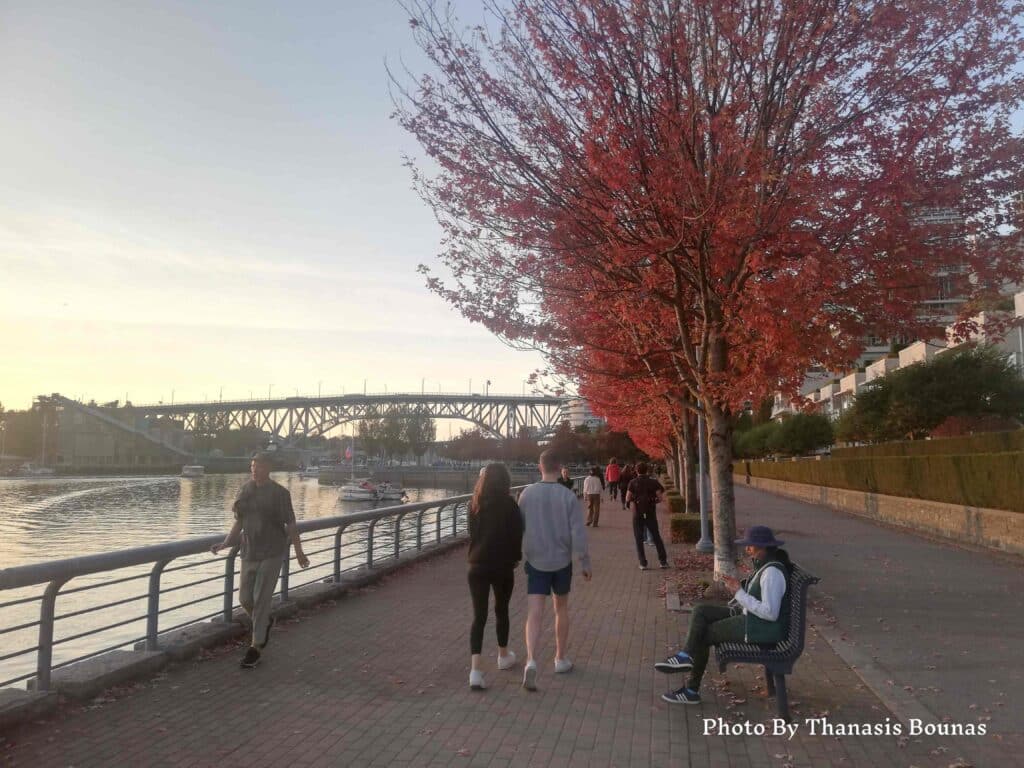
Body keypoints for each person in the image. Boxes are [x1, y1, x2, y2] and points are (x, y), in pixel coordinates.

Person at [655, 526, 792, 704]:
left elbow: (770, 613)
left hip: (759, 628)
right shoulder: (765, 566)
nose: (747, 549)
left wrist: (739, 593)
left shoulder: (771, 573)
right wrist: (739, 589)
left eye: (750, 545)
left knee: (703, 634)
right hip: (752, 619)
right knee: (701, 610)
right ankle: (685, 656)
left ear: (762, 547)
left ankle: (691, 690)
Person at [211, 453, 310, 669]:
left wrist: (299, 552)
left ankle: (255, 648)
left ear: (269, 468)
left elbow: (291, 524)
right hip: (249, 551)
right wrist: (225, 543)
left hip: (272, 551)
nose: (254, 469)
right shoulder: (245, 490)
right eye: (252, 465)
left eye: (259, 466)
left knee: (261, 598)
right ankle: (265, 622)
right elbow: (240, 522)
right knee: (245, 598)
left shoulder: (280, 493)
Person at [517, 450, 592, 690]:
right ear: (560, 467)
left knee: (534, 612)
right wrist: (585, 562)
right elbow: (578, 534)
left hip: (536, 560)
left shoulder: (526, 494)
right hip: (561, 561)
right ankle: (560, 658)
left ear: (540, 466)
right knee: (561, 609)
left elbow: (519, 528)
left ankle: (531, 660)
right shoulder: (568, 496)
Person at [466, 463, 525, 690]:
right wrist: (516, 557)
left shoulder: (474, 504)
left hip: (477, 564)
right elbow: (516, 534)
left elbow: (472, 534)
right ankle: (502, 656)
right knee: (502, 610)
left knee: (478, 617)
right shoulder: (510, 505)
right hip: (502, 565)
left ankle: (475, 671)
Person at [626, 462, 669, 570]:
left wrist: (635, 500)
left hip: (637, 513)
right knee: (656, 536)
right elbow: (660, 498)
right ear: (647, 470)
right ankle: (663, 561)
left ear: (636, 471)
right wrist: (653, 501)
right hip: (650, 512)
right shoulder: (653, 482)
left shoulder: (632, 482)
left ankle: (643, 563)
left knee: (638, 538)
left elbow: (627, 498)